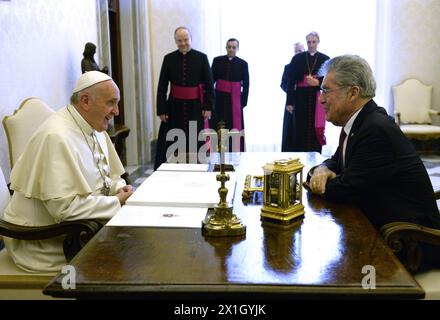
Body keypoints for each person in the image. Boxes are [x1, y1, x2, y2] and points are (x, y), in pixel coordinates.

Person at [307, 54, 440, 268]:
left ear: (353, 92)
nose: (321, 98)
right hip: (383, 228)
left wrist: (316, 181)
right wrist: (322, 169)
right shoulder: (363, 122)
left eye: (326, 90)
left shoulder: (375, 129)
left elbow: (346, 189)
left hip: (410, 244)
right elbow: (337, 161)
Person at [3, 71, 134, 273]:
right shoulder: (56, 137)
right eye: (111, 103)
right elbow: (65, 210)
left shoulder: (94, 126)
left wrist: (120, 188)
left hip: (76, 228)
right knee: (124, 254)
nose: (116, 111)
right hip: (44, 241)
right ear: (85, 101)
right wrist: (116, 201)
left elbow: (108, 176)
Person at [154, 27, 214, 169]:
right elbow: (162, 86)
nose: (183, 43)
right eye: (179, 40)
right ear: (175, 41)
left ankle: (196, 168)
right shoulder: (168, 59)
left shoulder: (202, 58)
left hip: (196, 107)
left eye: (186, 39)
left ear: (191, 39)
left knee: (195, 141)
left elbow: (209, 85)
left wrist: (208, 107)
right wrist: (161, 110)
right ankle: (173, 169)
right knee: (173, 141)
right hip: (174, 107)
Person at [283, 32, 330, 152]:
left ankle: (315, 156)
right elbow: (290, 82)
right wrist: (290, 102)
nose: (311, 45)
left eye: (314, 42)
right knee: (299, 128)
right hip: (300, 99)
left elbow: (329, 79)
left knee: (315, 130)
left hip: (317, 99)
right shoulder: (297, 59)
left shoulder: (325, 59)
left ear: (318, 42)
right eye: (309, 42)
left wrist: (318, 82)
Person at [211, 38, 249, 151]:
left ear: (237, 49)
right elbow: (211, 80)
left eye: (234, 47)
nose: (231, 49)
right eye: (229, 47)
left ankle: (235, 151)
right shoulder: (217, 61)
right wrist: (211, 100)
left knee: (234, 128)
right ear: (226, 48)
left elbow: (247, 85)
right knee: (218, 125)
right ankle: (217, 151)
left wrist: (243, 102)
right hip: (219, 100)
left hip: (235, 102)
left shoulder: (243, 64)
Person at [281, 42, 305, 151]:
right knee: (289, 130)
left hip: (305, 102)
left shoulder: (308, 67)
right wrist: (292, 88)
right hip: (291, 101)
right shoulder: (288, 67)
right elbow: (283, 83)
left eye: (300, 51)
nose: (298, 53)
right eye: (296, 51)